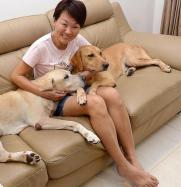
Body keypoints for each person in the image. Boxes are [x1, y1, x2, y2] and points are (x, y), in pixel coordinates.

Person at [11, 0, 159, 186]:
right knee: (95, 102)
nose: (69, 31)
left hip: (78, 87)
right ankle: (123, 166)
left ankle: (132, 158)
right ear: (55, 21)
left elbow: (97, 60)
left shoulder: (78, 41)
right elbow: (16, 76)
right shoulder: (41, 46)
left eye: (75, 26)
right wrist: (43, 92)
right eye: (64, 24)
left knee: (113, 96)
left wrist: (87, 73)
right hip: (54, 99)